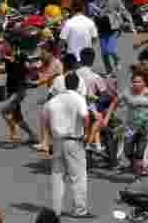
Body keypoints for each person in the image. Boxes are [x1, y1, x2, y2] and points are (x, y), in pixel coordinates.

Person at [44, 71, 93, 219]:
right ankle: (80, 210)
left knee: (57, 176)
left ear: (65, 84)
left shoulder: (54, 100)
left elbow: (46, 121)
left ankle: (56, 210)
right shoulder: (78, 99)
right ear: (78, 84)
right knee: (78, 177)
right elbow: (86, 117)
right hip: (74, 141)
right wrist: (86, 135)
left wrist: (50, 139)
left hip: (58, 141)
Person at [120, 71, 148, 176]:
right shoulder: (127, 92)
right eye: (134, 82)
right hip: (130, 127)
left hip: (145, 127)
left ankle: (139, 175)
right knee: (127, 151)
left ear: (144, 83)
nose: (136, 84)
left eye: (139, 81)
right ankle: (134, 165)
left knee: (140, 153)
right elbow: (116, 102)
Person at [0, 34, 35, 144]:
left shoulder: (22, 56)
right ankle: (33, 135)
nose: (4, 46)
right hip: (12, 89)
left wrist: (30, 76)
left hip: (19, 90)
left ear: (13, 46)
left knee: (3, 110)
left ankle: (14, 132)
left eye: (7, 45)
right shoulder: (7, 56)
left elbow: (29, 67)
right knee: (18, 117)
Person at [93, 0, 132, 75]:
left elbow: (124, 11)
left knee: (110, 49)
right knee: (104, 53)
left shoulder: (116, 0)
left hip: (113, 28)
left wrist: (130, 22)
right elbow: (94, 11)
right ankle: (109, 71)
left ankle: (117, 59)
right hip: (102, 27)